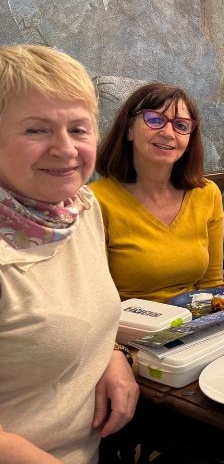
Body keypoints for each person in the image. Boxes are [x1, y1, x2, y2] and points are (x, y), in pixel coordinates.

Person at [0, 44, 137, 463]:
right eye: (36, 130)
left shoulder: (79, 208)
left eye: (78, 129)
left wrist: (112, 355)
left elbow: (83, 310)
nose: (65, 149)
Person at [91, 83, 224, 302]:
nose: (168, 133)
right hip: (128, 330)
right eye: (155, 120)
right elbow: (97, 300)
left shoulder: (207, 194)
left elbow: (212, 286)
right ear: (129, 129)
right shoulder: (96, 201)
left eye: (181, 125)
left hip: (196, 325)